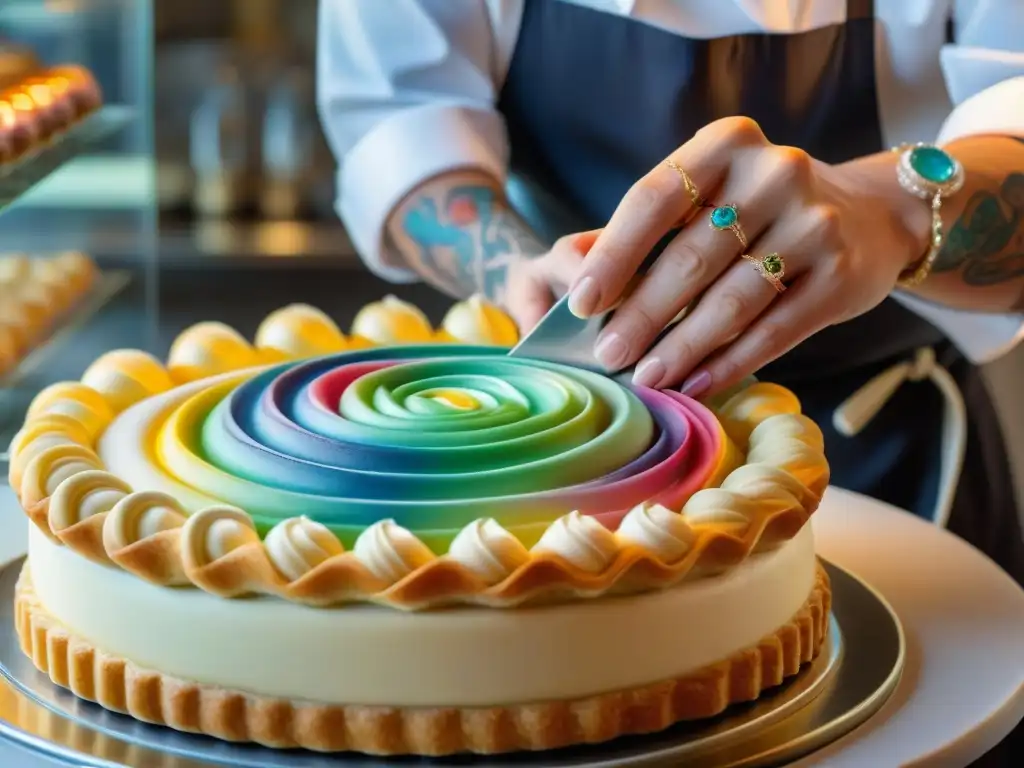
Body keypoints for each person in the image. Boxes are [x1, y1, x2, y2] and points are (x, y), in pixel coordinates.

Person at [317, 2, 1024, 584]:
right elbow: (402, 118)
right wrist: (515, 271)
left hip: (896, 453)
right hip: (575, 462)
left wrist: (892, 212)